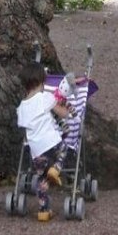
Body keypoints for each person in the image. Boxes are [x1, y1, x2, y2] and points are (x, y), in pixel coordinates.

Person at [16, 62, 72, 221]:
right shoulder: (44, 98)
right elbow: (61, 113)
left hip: (36, 151)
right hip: (51, 142)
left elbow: (22, 125)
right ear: (40, 83)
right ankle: (56, 167)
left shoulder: (21, 108)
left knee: (41, 180)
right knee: (64, 148)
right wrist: (67, 112)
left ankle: (43, 211)